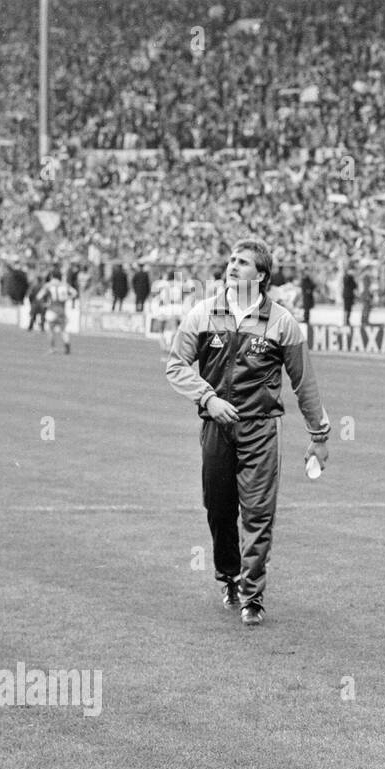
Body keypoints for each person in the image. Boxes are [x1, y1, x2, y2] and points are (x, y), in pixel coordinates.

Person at [165, 237, 331, 627]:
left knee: (258, 514)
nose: (232, 266)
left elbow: (303, 383)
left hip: (259, 431)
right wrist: (207, 399)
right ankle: (229, 577)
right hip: (215, 429)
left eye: (243, 262)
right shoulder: (203, 314)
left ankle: (253, 596)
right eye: (231, 260)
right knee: (220, 511)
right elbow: (176, 366)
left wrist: (319, 435)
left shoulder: (282, 322)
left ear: (261, 276)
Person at [36, 270, 78, 355]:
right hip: (62, 309)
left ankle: (52, 348)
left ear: (51, 276)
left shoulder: (48, 285)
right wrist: (67, 298)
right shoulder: (65, 285)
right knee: (63, 330)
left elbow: (38, 296)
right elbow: (75, 293)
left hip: (52, 309)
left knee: (50, 330)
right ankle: (67, 346)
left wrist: (45, 304)